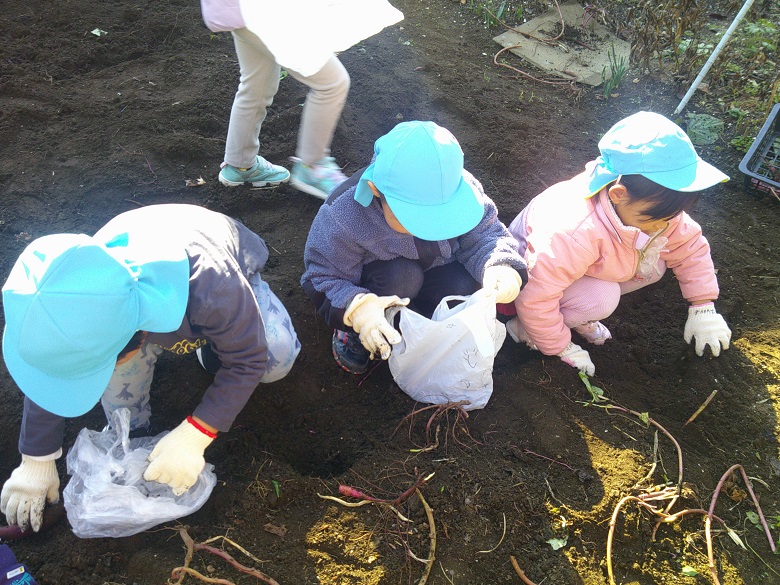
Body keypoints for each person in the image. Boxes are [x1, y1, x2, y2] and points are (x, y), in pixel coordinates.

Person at [0, 204, 300, 532]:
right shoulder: (66, 302)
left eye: (102, 362)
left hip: (225, 272)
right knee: (121, 407)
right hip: (136, 311)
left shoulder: (212, 285)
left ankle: (212, 351)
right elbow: (55, 364)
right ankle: (136, 435)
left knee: (275, 354)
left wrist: (197, 432)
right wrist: (36, 458)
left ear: (139, 334)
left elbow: (248, 357)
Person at [503, 111, 732, 376]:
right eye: (657, 217)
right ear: (619, 194)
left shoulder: (648, 210)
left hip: (585, 263)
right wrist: (560, 346)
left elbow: (690, 246)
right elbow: (536, 296)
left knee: (656, 263)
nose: (665, 225)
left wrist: (703, 305)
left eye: (672, 216)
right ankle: (523, 328)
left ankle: (573, 312)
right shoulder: (573, 230)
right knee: (601, 299)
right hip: (525, 283)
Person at [301, 120, 528, 374]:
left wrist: (501, 266)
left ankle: (415, 323)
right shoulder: (345, 215)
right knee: (403, 278)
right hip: (380, 284)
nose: (427, 228)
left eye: (441, 215)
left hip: (438, 267)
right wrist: (357, 308)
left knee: (464, 287)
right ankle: (359, 331)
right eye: (412, 218)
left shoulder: (459, 189)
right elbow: (323, 275)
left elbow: (486, 235)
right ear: (376, 191)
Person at [200, 0, 403, 200]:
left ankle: (240, 164)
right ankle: (312, 166)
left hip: (235, 10)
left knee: (256, 86)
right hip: (263, 12)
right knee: (332, 83)